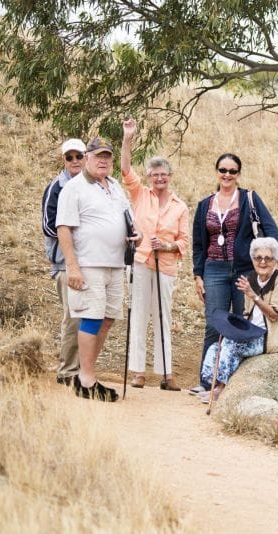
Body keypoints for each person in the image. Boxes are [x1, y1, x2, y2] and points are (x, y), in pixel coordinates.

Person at [56, 137, 141, 402]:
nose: (103, 160)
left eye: (107, 156)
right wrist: (72, 267)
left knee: (108, 318)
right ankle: (87, 380)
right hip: (89, 264)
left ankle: (85, 373)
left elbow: (127, 219)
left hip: (116, 264)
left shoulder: (114, 186)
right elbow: (63, 228)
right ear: (87, 158)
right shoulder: (75, 187)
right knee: (91, 318)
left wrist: (134, 236)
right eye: (98, 156)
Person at [191, 154, 278, 394]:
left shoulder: (249, 199)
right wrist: (198, 274)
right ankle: (207, 380)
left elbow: (271, 228)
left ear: (238, 174)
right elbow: (199, 245)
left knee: (243, 324)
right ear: (216, 171)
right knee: (214, 323)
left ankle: (235, 384)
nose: (227, 175)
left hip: (244, 269)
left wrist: (273, 259)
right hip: (214, 269)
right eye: (223, 170)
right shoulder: (204, 205)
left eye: (232, 171)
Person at [120, 118, 189, 391]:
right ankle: (137, 372)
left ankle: (166, 374)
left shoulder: (180, 206)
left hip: (167, 265)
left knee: (163, 317)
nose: (159, 178)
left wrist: (168, 246)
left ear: (170, 177)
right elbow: (125, 169)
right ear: (149, 177)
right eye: (155, 174)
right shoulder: (140, 194)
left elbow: (183, 241)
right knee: (139, 314)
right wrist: (128, 138)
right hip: (141, 261)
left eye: (164, 174)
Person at [198, 237, 278, 403]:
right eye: (258, 258)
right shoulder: (251, 278)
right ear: (253, 260)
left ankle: (220, 390)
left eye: (268, 258)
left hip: (269, 337)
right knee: (217, 345)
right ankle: (212, 385)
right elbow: (247, 313)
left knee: (231, 346)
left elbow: (274, 315)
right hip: (252, 333)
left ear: (275, 261)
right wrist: (234, 328)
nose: (263, 262)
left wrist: (253, 295)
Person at [43, 138, 86, 386]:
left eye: (78, 156)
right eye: (69, 157)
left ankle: (81, 368)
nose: (74, 161)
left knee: (87, 316)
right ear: (64, 160)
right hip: (64, 263)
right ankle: (67, 370)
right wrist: (74, 234)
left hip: (89, 261)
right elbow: (48, 226)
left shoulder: (90, 187)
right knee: (73, 316)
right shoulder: (56, 188)